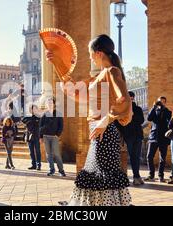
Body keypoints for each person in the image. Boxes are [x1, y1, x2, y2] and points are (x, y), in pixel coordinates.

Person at [48, 34, 133, 206]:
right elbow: (76, 92)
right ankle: (83, 203)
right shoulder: (101, 76)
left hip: (105, 131)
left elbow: (124, 99)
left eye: (90, 53)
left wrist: (105, 120)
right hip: (100, 130)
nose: (90, 57)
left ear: (99, 53)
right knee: (95, 172)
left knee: (101, 173)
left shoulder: (112, 72)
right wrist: (57, 63)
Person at [116, 91, 145, 186]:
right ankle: (136, 177)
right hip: (129, 136)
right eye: (129, 97)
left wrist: (131, 115)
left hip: (138, 135)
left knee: (136, 156)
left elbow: (141, 120)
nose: (130, 98)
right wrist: (124, 132)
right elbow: (118, 123)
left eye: (132, 97)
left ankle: (137, 176)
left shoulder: (138, 109)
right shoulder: (122, 110)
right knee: (133, 156)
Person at [145, 97, 171, 183]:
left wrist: (164, 108)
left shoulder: (167, 111)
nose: (161, 103)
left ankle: (161, 176)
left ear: (165, 103)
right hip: (153, 137)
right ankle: (151, 175)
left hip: (163, 138)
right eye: (160, 102)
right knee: (149, 156)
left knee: (162, 158)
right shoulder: (154, 110)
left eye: (163, 102)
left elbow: (169, 118)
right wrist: (154, 107)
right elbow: (149, 118)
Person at [39, 97, 65, 177]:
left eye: (51, 103)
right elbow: (40, 127)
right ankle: (52, 170)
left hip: (54, 137)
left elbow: (61, 126)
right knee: (48, 154)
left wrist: (57, 135)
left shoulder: (58, 114)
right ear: (46, 104)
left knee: (56, 154)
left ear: (54, 104)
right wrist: (41, 137)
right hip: (46, 137)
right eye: (48, 103)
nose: (50, 104)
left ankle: (61, 171)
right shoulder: (44, 114)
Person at [22, 105, 42, 170]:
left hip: (36, 136)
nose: (33, 110)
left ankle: (38, 165)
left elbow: (39, 126)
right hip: (29, 136)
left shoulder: (39, 117)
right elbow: (23, 120)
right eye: (32, 109)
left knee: (37, 151)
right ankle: (33, 165)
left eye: (35, 109)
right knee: (31, 152)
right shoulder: (27, 117)